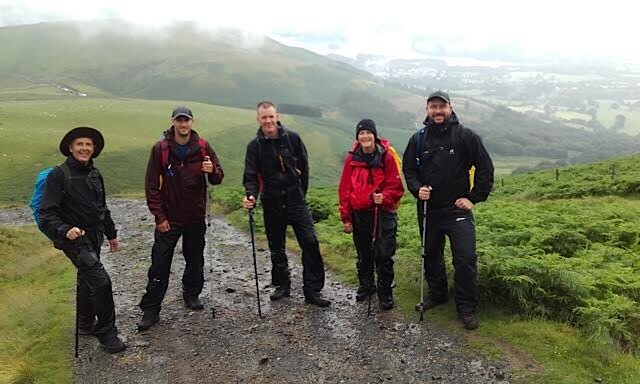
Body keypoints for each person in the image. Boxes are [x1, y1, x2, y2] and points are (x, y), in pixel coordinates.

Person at [402, 91, 494, 330]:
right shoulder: (418, 139)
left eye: (442, 107)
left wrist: (473, 198)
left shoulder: (465, 136)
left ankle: (466, 307)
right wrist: (416, 189)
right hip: (429, 209)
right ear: (427, 110)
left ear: (450, 108)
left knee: (465, 259)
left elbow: (485, 167)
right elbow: (409, 170)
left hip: (457, 211)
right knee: (431, 255)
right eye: (433, 107)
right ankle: (437, 294)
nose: (438, 111)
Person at [39, 126, 126, 353]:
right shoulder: (58, 175)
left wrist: (112, 234)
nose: (84, 148)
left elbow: (102, 208)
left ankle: (85, 323)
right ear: (70, 148)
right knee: (101, 282)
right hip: (74, 240)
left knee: (87, 279)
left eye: (88, 145)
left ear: (93, 149)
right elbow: (46, 213)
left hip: (95, 236)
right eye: (80, 144)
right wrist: (64, 229)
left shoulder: (95, 174)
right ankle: (107, 334)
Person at [138, 106, 224, 331]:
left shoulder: (203, 147)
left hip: (195, 217)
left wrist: (212, 169)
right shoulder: (161, 149)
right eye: (179, 120)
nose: (183, 124)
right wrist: (159, 217)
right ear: (173, 122)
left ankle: (191, 295)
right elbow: (151, 185)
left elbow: (218, 178)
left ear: (192, 122)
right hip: (169, 218)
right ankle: (151, 310)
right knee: (159, 264)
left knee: (195, 260)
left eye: (186, 120)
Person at [242, 101, 330, 307]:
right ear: (258, 119)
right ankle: (282, 285)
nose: (268, 121)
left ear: (277, 116)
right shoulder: (254, 147)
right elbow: (250, 175)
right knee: (276, 247)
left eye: (271, 116)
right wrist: (251, 195)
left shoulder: (293, 139)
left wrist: (301, 193)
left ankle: (313, 290)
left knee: (310, 243)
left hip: (295, 200)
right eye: (264, 117)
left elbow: (304, 168)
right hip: (271, 202)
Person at [338, 119, 404, 310]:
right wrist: (346, 217)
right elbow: (345, 189)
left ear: (375, 135)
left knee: (383, 254)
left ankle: (385, 293)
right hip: (359, 214)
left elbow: (396, 186)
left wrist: (384, 197)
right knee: (364, 253)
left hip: (383, 213)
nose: (365, 136)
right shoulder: (352, 159)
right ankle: (367, 287)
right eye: (361, 133)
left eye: (368, 133)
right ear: (357, 137)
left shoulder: (387, 157)